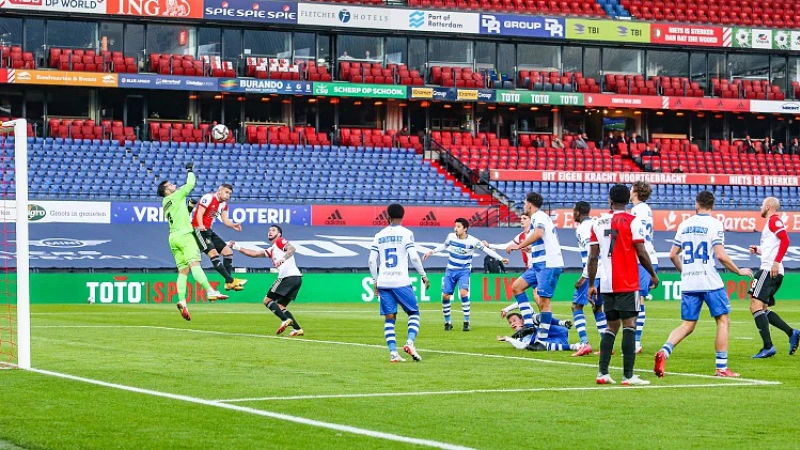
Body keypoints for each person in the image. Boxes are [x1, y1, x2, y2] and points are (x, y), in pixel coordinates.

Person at [655, 191, 753, 378]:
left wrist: (685, 272)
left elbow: (672, 254)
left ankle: (664, 352)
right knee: (723, 321)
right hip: (709, 280)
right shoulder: (714, 224)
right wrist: (739, 271)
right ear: (712, 205)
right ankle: (721, 368)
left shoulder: (684, 224)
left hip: (690, 281)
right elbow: (721, 255)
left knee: (687, 325)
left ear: (697, 204)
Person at [587, 184, 658, 386]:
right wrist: (653, 274)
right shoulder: (632, 221)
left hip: (607, 282)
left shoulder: (597, 223)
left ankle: (602, 373)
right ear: (628, 201)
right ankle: (628, 376)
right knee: (629, 325)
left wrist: (592, 284)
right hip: (627, 281)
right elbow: (642, 252)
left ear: (610, 200)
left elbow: (592, 258)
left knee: (611, 326)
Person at [157, 163, 228, 321]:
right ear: (167, 190)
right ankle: (210, 291)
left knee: (183, 271)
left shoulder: (164, 204)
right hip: (185, 236)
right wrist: (190, 170)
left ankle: (182, 300)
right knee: (195, 264)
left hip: (173, 237)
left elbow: (179, 216)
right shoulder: (175, 195)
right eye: (170, 184)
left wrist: (189, 208)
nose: (174, 184)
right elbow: (190, 184)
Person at [369, 204, 430, 362]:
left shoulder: (378, 235)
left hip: (384, 281)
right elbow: (415, 257)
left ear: (387, 216)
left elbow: (371, 260)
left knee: (390, 318)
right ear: (403, 216)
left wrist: (375, 281)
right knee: (414, 313)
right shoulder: (406, 234)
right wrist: (423, 275)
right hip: (401, 281)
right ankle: (409, 343)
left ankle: (393, 353)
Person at [424, 218, 508, 331]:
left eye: (458, 227)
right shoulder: (451, 237)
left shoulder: (473, 241)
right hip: (450, 270)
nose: (455, 229)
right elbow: (444, 245)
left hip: (464, 270)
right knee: (445, 296)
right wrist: (431, 251)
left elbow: (487, 250)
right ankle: (448, 322)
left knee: (463, 293)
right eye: (455, 226)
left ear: (465, 229)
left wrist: (501, 258)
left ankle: (466, 321)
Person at [506, 192, 565, 347]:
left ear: (530, 204)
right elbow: (543, 238)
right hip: (539, 263)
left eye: (525, 203)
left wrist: (520, 245)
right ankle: (529, 325)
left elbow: (539, 233)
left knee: (544, 301)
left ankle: (542, 341)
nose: (524, 206)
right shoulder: (539, 218)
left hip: (548, 264)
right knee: (517, 287)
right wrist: (530, 247)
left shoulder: (538, 216)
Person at [229, 225, 305, 336]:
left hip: (287, 277)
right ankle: (297, 329)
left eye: (273, 230)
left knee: (267, 300)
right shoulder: (272, 249)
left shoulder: (280, 241)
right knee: (281, 306)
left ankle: (284, 320)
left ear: (279, 234)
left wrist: (283, 259)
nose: (270, 232)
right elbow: (254, 254)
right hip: (296, 278)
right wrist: (236, 247)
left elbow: (292, 249)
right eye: (269, 230)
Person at [748, 197, 800, 358]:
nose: (760, 207)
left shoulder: (774, 221)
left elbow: (786, 240)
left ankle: (768, 347)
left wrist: (776, 262)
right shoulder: (770, 223)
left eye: (762, 204)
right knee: (761, 308)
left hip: (769, 270)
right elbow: (773, 247)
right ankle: (792, 333)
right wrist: (758, 250)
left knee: (755, 305)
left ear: (769, 206)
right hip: (771, 268)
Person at [190, 184, 247, 291]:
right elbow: (199, 213)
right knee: (214, 254)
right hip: (198, 230)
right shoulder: (208, 198)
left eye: (230, 194)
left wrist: (233, 225)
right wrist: (201, 225)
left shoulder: (224, 205)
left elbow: (225, 221)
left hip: (209, 231)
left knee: (228, 252)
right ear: (219, 191)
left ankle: (228, 283)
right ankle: (231, 280)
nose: (228, 195)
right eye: (226, 192)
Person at [570, 201, 608, 357]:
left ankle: (584, 343)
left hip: (593, 273)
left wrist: (585, 277)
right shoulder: (596, 224)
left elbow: (591, 253)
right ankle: (607, 345)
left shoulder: (583, 228)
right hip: (605, 273)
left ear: (578, 212)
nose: (573, 214)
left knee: (576, 306)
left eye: (574, 211)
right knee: (597, 308)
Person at [630, 181, 658, 354]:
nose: (629, 190)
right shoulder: (645, 209)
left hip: (643, 259)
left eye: (631, 188)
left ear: (636, 192)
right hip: (644, 258)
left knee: (638, 300)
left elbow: (636, 236)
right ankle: (634, 340)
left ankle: (636, 341)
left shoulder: (637, 210)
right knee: (634, 300)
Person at [498, 313, 584, 353]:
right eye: (510, 323)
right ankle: (577, 346)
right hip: (557, 341)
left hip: (556, 330)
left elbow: (520, 300)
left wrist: (507, 309)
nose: (512, 323)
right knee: (537, 346)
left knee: (536, 317)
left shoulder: (530, 323)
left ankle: (561, 322)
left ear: (523, 320)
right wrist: (508, 339)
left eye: (514, 321)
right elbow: (522, 346)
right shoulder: (519, 338)